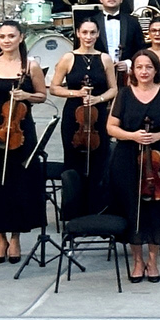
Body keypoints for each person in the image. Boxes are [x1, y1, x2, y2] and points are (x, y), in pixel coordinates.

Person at [107, 51, 160, 282]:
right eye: (139, 67)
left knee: (156, 210)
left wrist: (159, 136)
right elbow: (111, 126)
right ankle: (137, 261)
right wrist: (132, 136)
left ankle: (152, 261)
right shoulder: (123, 94)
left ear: (155, 70)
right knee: (132, 208)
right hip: (128, 158)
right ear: (133, 70)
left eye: (148, 67)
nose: (143, 72)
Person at [0, 21, 48, 262]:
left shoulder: (31, 66)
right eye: (2, 36)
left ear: (21, 37)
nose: (6, 40)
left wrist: (26, 95)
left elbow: (42, 96)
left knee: (20, 184)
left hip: (22, 130)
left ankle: (16, 237)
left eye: (11, 36)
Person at [49, 17, 118, 198]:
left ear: (98, 34)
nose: (88, 36)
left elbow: (114, 89)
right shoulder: (68, 58)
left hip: (98, 114)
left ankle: (96, 206)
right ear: (78, 34)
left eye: (92, 32)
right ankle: (73, 207)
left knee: (99, 159)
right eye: (85, 32)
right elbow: (55, 88)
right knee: (73, 159)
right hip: (74, 115)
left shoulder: (105, 58)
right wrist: (76, 93)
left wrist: (98, 99)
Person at [79, 0, 145, 61]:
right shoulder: (91, 23)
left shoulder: (133, 22)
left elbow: (140, 49)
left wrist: (128, 63)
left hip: (126, 72)